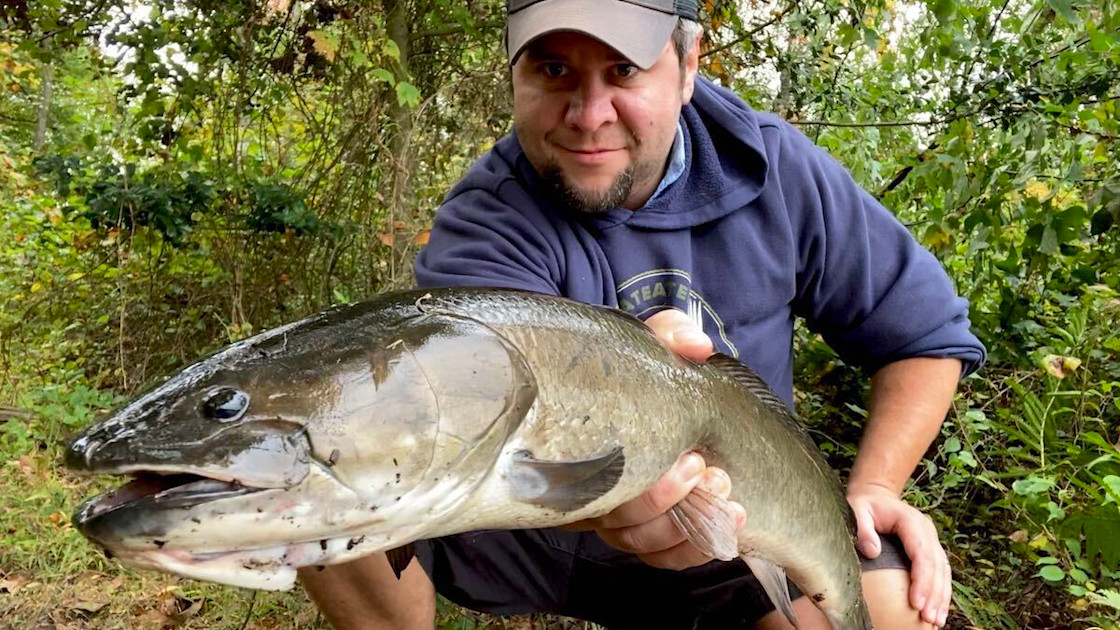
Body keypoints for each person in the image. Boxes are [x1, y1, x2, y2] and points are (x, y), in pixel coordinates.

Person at [298, 0, 987, 628]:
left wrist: (874, 487)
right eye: (554, 69)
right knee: (313, 481)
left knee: (893, 609)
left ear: (688, 68)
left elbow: (924, 336)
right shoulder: (484, 223)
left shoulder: (775, 169)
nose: (589, 113)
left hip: (727, 520)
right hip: (535, 518)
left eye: (623, 70)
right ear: (516, 75)